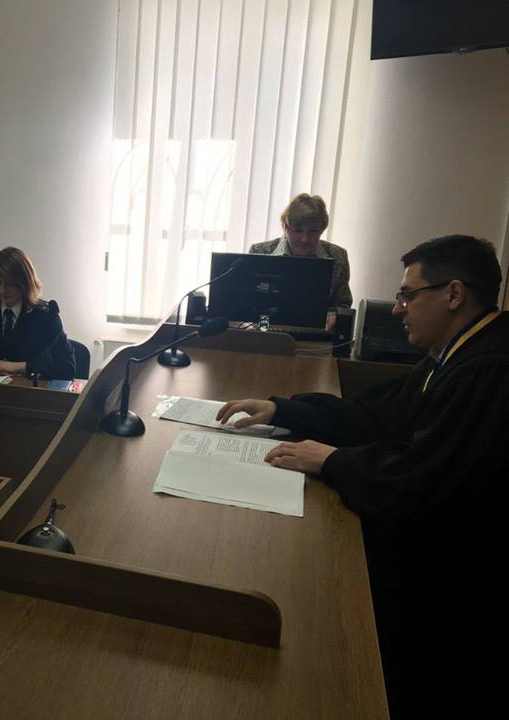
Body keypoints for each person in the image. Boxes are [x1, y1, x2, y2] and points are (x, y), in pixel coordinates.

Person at [216, 234, 507, 717]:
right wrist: (283, 408)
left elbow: (420, 479)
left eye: (408, 295)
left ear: (454, 294)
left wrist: (331, 461)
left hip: (448, 589)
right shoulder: (454, 353)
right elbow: (375, 417)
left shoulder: (489, 368)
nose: (399, 310)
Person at [0, 247, 75, 380]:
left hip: (31, 388)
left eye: (10, 283)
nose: (2, 290)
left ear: (25, 282)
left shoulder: (45, 315)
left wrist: (20, 367)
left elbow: (67, 368)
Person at [248, 193, 351, 329]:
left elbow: (343, 305)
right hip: (268, 330)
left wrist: (333, 315)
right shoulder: (260, 252)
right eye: (298, 231)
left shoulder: (337, 256)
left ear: (322, 229)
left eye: (312, 231)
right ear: (285, 227)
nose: (305, 239)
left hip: (316, 332)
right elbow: (249, 301)